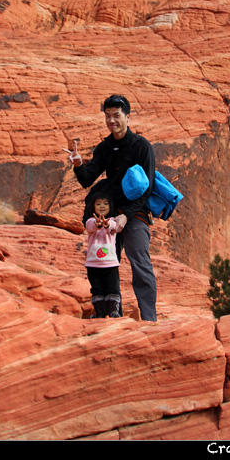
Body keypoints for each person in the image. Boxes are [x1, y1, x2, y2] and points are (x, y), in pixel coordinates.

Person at [64, 94, 157, 322]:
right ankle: (112, 316)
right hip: (108, 217)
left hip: (135, 214)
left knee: (140, 263)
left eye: (116, 115)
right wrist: (78, 164)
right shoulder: (105, 147)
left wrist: (126, 216)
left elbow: (148, 187)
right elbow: (87, 179)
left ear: (127, 116)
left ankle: (149, 320)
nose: (111, 120)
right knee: (105, 265)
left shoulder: (141, 147)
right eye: (107, 116)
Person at [84, 193, 121, 318]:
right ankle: (99, 313)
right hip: (93, 265)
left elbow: (114, 226)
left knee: (112, 288)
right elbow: (91, 227)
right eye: (98, 203)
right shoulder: (90, 221)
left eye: (105, 203)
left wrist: (106, 224)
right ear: (92, 206)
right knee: (97, 289)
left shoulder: (113, 221)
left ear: (110, 206)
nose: (102, 206)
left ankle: (113, 312)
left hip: (110, 263)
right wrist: (98, 224)